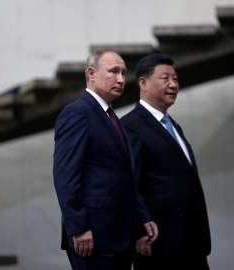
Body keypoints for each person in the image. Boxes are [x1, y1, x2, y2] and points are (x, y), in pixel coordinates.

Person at [121, 53, 211, 270]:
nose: (173, 84)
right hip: (158, 245)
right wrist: (139, 231)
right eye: (165, 78)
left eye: (176, 79)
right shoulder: (130, 126)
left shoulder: (174, 127)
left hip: (192, 242)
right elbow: (128, 184)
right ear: (143, 82)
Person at [53, 50, 136, 270]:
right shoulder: (78, 112)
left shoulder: (110, 115)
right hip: (92, 236)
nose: (121, 79)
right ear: (91, 73)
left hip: (118, 235)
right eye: (114, 71)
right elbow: (65, 176)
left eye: (124, 73)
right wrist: (79, 228)